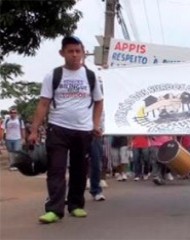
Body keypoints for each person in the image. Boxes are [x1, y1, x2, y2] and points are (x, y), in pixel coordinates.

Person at [28, 36, 103, 224]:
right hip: (58, 129)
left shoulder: (90, 76)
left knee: (79, 169)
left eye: (78, 51)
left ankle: (76, 205)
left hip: (83, 131)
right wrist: (34, 130)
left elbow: (99, 102)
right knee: (56, 169)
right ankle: (54, 209)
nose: (75, 54)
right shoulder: (53, 75)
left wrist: (95, 125)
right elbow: (43, 103)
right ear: (62, 53)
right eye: (70, 51)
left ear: (83, 52)